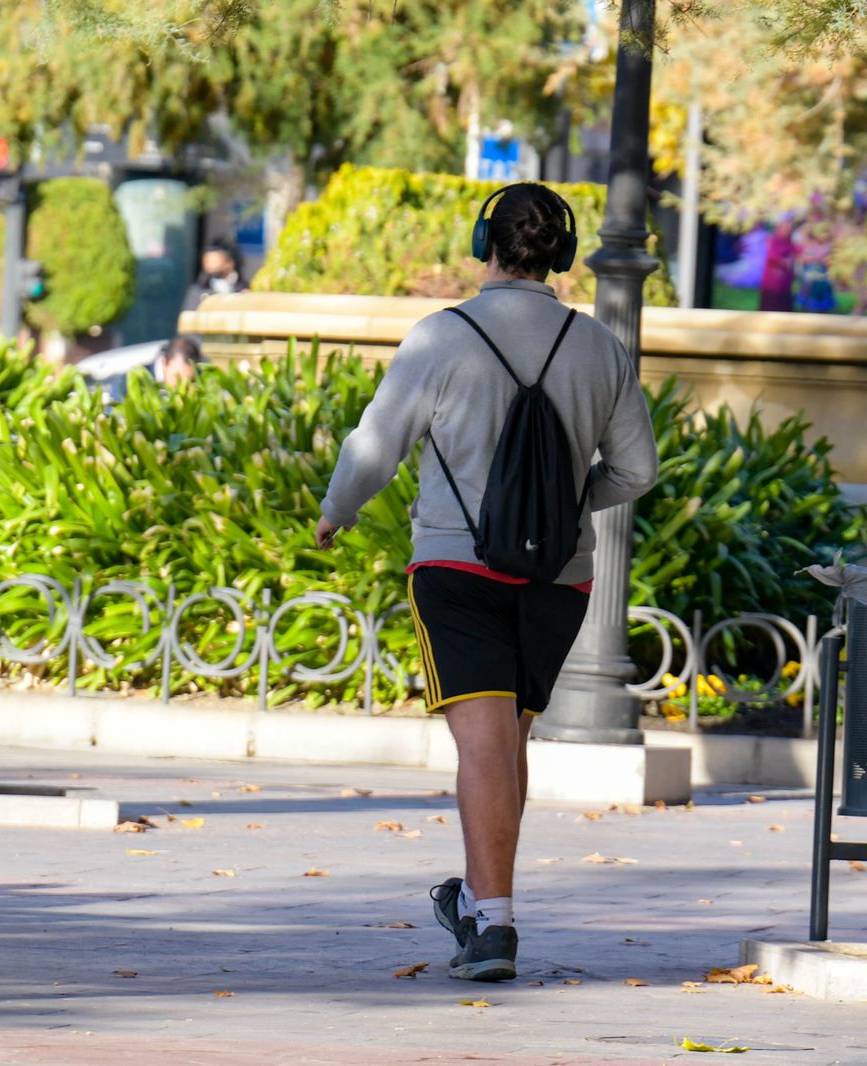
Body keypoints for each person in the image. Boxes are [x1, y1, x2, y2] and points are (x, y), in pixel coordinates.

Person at [315, 183, 658, 982]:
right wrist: (569, 505)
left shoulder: (441, 337)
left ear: (485, 242)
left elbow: (377, 444)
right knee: (512, 740)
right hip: (559, 577)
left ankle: (494, 923)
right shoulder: (600, 346)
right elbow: (636, 470)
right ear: (564, 257)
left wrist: (339, 509)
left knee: (482, 743)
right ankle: (481, 900)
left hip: (455, 565)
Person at [102, 336, 201, 403]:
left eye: (190, 380)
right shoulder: (129, 381)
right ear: (165, 362)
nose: (184, 386)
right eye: (178, 378)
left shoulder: (200, 381)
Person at [181, 237, 250, 313]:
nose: (209, 266)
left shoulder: (244, 289)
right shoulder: (198, 291)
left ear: (230, 263)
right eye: (206, 262)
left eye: (215, 262)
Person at [758, 219, 796, 313]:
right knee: (771, 305)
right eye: (785, 228)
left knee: (784, 305)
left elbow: (795, 250)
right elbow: (771, 256)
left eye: (789, 229)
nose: (788, 231)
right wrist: (784, 261)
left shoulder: (788, 241)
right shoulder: (772, 240)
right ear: (778, 229)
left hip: (785, 280)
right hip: (773, 279)